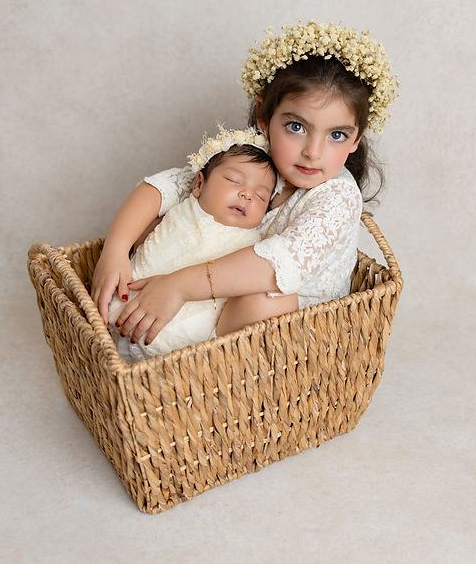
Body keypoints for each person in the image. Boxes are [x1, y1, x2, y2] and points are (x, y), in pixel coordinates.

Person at [93, 20, 398, 350]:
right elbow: (169, 186)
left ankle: (200, 360)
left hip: (284, 325)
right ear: (264, 116)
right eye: (296, 127)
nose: (313, 152)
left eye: (337, 135)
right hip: (215, 292)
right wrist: (116, 250)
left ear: (356, 140)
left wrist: (178, 286)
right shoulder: (254, 159)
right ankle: (144, 324)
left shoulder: (338, 197)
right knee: (165, 218)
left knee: (267, 300)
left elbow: (273, 266)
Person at [106, 127, 277, 362]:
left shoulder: (253, 246)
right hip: (122, 321)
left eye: (260, 196)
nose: (247, 195)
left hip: (189, 354)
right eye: (234, 181)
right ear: (198, 184)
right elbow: (143, 244)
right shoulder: (180, 212)